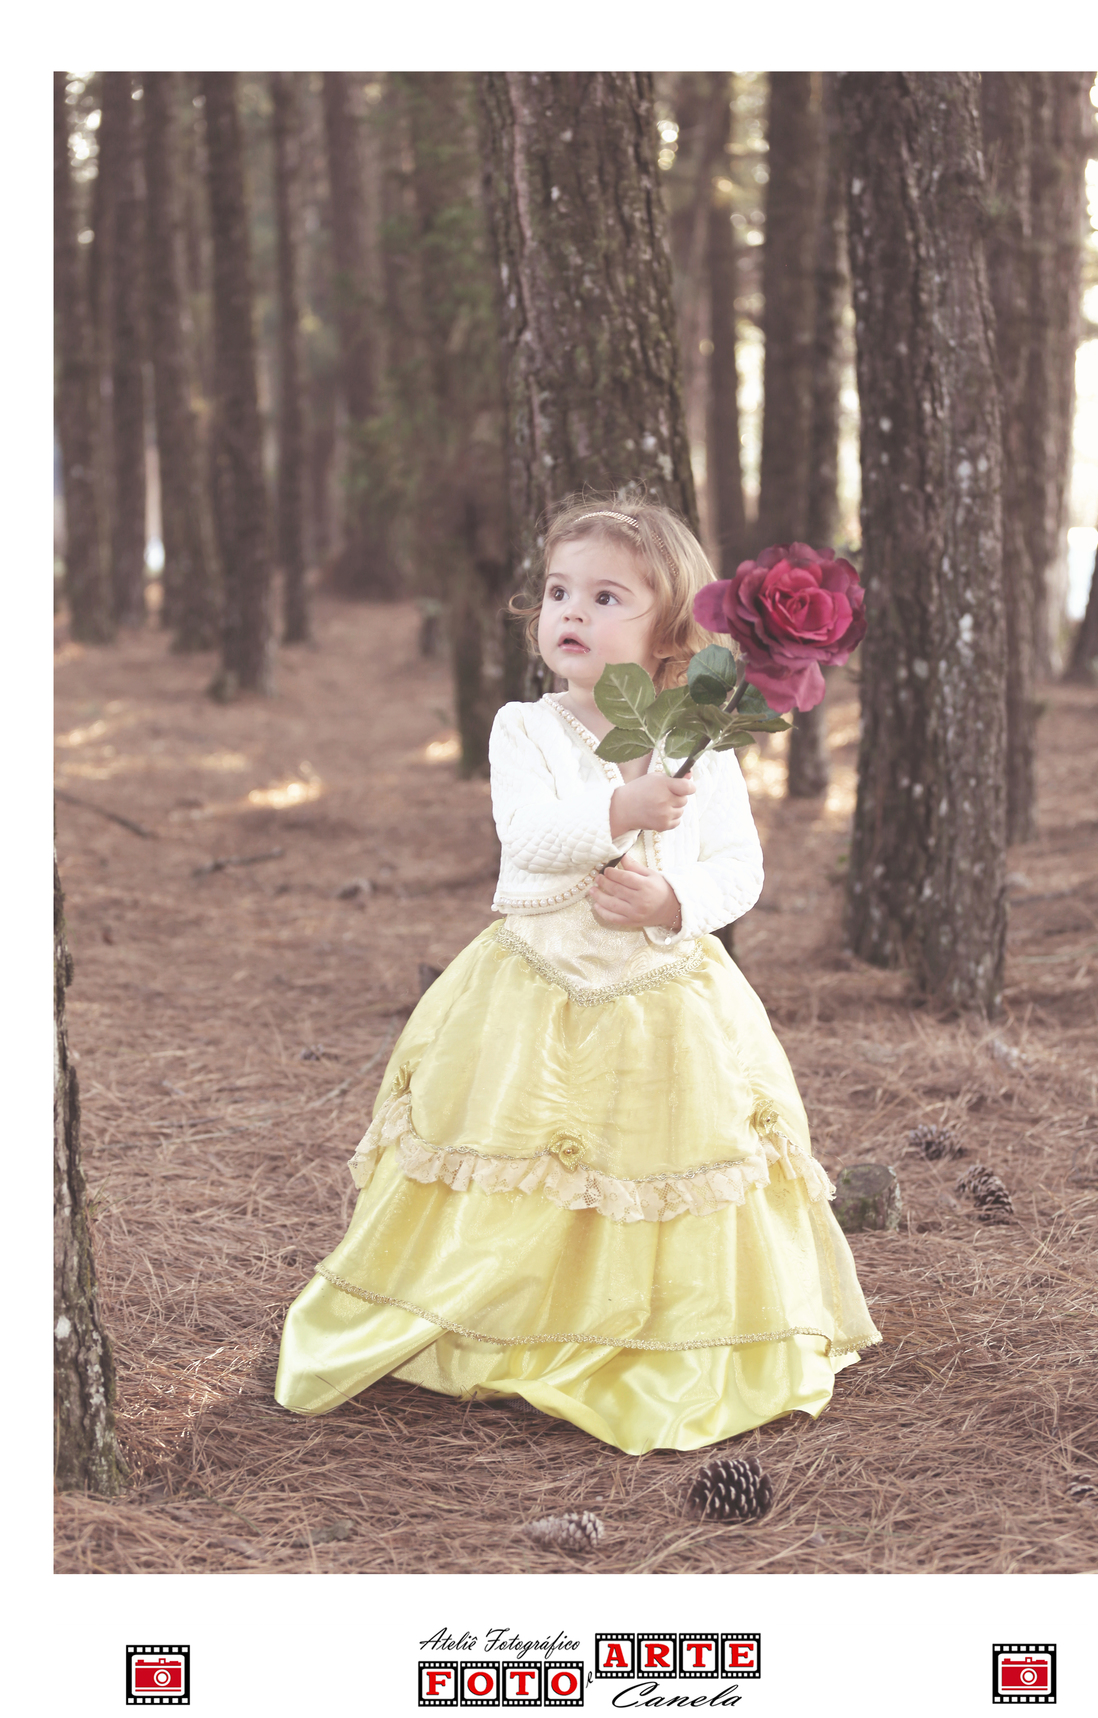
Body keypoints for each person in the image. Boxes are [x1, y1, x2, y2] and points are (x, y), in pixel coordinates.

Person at [274, 497, 880, 1453]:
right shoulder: (526, 728)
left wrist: (672, 899)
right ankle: (506, 1309)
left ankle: (647, 1325)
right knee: (522, 1152)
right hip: (535, 989)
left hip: (664, 999)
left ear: (669, 630)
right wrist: (621, 807)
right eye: (560, 592)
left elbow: (739, 869)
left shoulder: (702, 739)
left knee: (653, 1159)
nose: (573, 613)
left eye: (606, 598)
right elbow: (528, 835)